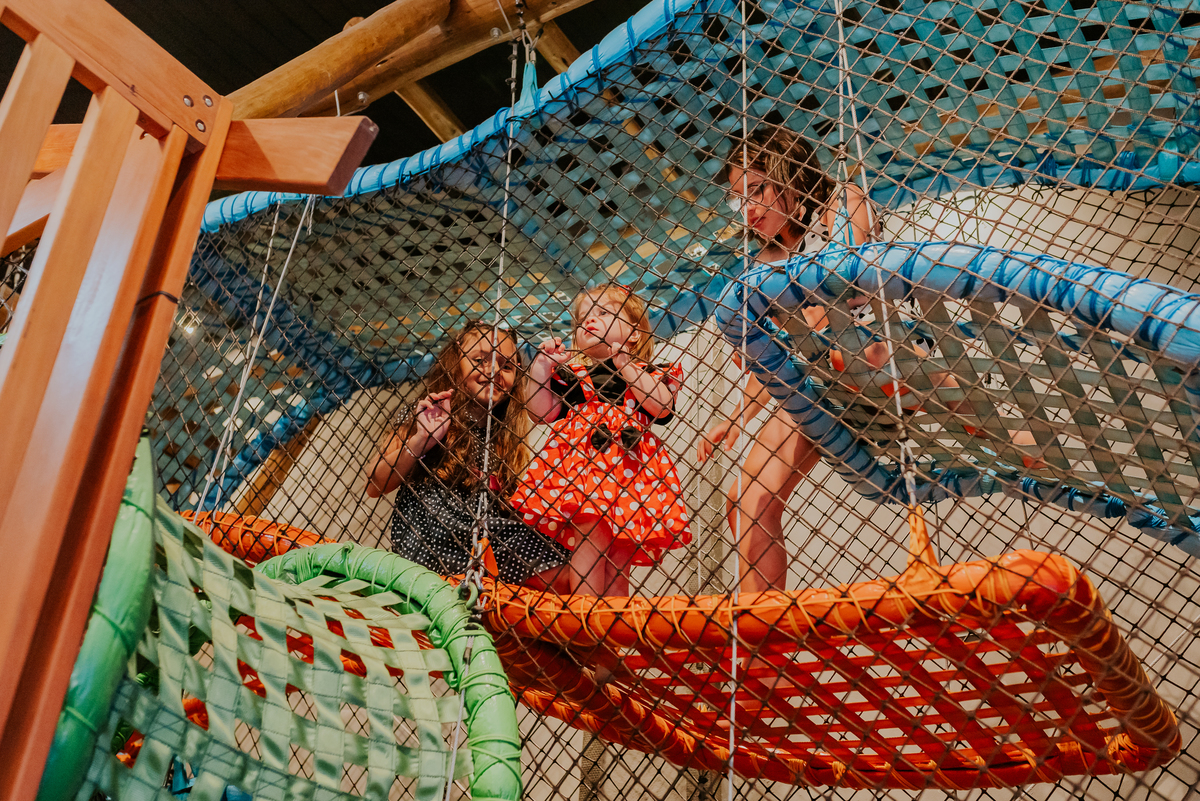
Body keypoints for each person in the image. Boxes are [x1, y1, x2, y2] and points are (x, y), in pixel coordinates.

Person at [696, 127, 875, 594]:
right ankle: (765, 647)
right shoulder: (763, 262)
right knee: (746, 500)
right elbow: (773, 360)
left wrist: (786, 325)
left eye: (756, 190)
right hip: (820, 386)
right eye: (739, 199)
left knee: (845, 349)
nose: (748, 209)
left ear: (788, 175)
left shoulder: (840, 202)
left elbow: (842, 286)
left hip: (879, 357)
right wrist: (736, 417)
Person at [513, 284, 692, 596]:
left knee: (621, 550)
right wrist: (542, 367)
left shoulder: (647, 371)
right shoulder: (576, 373)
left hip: (629, 470)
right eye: (582, 319)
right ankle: (586, 610)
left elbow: (660, 406)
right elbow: (540, 413)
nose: (589, 321)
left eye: (603, 313)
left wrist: (624, 365)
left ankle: (610, 627)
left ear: (634, 334)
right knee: (589, 531)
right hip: (585, 469)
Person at [366, 321, 570, 589]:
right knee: (565, 568)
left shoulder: (503, 435)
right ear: (456, 364)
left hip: (486, 542)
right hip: (433, 543)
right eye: (480, 360)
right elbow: (375, 484)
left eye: (507, 366)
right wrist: (422, 440)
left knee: (570, 554)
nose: (494, 371)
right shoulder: (431, 412)